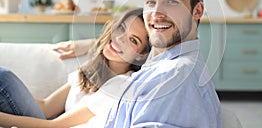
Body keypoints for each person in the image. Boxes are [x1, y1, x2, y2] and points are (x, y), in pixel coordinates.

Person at [101, 0, 221, 127]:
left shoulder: (174, 75)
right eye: (150, 2)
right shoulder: (164, 63)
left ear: (197, 11)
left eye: (171, 2)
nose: (156, 14)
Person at [0, 8, 151, 128]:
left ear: (140, 56)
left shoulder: (121, 86)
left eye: (133, 40)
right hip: (48, 123)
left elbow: (55, 126)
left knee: (3, 78)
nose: (119, 39)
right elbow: (46, 108)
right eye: (121, 28)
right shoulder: (90, 71)